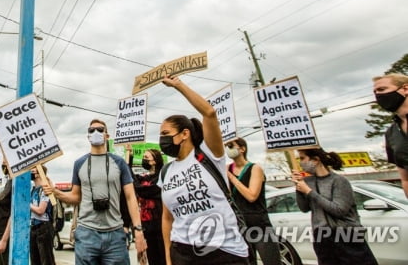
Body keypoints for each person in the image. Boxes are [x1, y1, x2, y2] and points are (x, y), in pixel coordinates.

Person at [159, 75, 249, 265]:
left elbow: (209, 113)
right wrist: (168, 257)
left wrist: (178, 85)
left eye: (165, 134)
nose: (162, 139)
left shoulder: (209, 155)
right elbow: (167, 218)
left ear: (185, 133)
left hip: (224, 251)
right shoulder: (166, 172)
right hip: (182, 252)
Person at [43, 119, 147, 265]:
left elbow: (130, 197)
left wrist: (138, 229)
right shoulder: (79, 164)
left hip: (115, 234)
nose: (96, 133)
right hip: (87, 233)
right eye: (91, 130)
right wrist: (55, 192)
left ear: (107, 135)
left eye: (100, 130)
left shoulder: (119, 163)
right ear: (88, 137)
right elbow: (75, 196)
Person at [292, 147, 378, 265]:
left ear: (316, 160)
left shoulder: (339, 181)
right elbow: (304, 208)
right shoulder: (308, 181)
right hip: (322, 237)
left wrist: (309, 192)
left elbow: (339, 210)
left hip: (346, 234)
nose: (301, 163)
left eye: (302, 158)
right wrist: (298, 188)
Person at [225, 137, 281, 265]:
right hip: (240, 225)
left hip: (259, 225)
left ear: (242, 149)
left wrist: (232, 178)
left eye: (231, 146)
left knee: (271, 261)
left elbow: (252, 196)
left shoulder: (255, 168)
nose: (229, 150)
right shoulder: (227, 169)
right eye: (227, 147)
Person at [124, 145, 165, 265]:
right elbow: (129, 178)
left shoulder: (162, 178)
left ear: (155, 161)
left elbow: (142, 190)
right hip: (147, 226)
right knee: (151, 259)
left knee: (162, 258)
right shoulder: (144, 178)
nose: (144, 159)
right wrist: (129, 155)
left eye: (146, 157)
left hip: (160, 226)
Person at [372, 73, 408, 197]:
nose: (378, 95)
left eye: (382, 89)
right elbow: (405, 179)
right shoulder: (391, 134)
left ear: (405, 89)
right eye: (375, 92)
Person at [29, 165, 56, 265]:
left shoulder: (45, 190)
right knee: (35, 260)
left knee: (46, 260)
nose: (30, 171)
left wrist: (27, 204)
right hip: (33, 228)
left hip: (43, 228)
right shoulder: (32, 190)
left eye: (33, 169)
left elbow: (41, 210)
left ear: (39, 173)